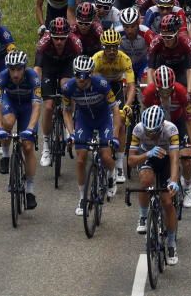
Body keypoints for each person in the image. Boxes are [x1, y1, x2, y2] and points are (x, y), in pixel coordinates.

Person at [63, 55, 120, 216]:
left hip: (103, 119)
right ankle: (82, 197)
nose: (81, 80)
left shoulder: (101, 84)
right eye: (77, 75)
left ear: (91, 74)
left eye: (85, 76)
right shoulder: (68, 88)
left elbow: (115, 110)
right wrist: (71, 133)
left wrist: (115, 136)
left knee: (106, 155)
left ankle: (111, 173)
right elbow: (66, 112)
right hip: (84, 120)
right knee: (81, 158)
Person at [128, 105, 182, 265]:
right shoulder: (138, 130)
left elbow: (174, 158)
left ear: (161, 126)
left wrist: (173, 180)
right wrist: (146, 154)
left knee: (167, 201)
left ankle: (171, 243)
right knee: (144, 181)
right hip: (148, 157)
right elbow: (130, 161)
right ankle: (144, 216)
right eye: (148, 132)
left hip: (166, 160)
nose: (150, 135)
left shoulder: (171, 130)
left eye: (154, 132)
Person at [141, 66, 191, 207]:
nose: (166, 93)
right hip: (158, 127)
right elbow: (145, 120)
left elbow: (190, 121)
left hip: (178, 123)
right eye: (162, 90)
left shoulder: (181, 91)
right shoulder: (149, 93)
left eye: (169, 90)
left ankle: (187, 188)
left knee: (186, 158)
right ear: (156, 87)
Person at [0, 50, 42, 209]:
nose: (15, 73)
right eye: (12, 69)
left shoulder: (33, 77)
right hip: (11, 103)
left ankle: (30, 190)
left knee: (27, 147)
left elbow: (36, 106)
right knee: (7, 122)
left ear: (24, 68)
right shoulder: (2, 77)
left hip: (28, 108)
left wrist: (30, 128)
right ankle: (6, 156)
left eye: (18, 69)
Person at [34, 16, 82, 168]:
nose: (59, 42)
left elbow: (79, 70)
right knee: (48, 106)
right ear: (51, 36)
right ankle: (46, 146)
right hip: (49, 68)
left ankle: (70, 117)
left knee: (67, 86)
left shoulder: (75, 43)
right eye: (56, 38)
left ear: (68, 36)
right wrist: (36, 88)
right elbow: (37, 69)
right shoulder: (43, 43)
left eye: (62, 38)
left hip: (67, 67)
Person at [93, 29, 136, 183]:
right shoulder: (96, 59)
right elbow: (90, 84)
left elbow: (131, 86)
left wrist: (127, 105)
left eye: (114, 47)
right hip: (100, 86)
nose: (111, 51)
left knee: (122, 122)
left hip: (116, 86)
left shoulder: (124, 58)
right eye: (108, 47)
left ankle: (118, 164)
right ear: (103, 46)